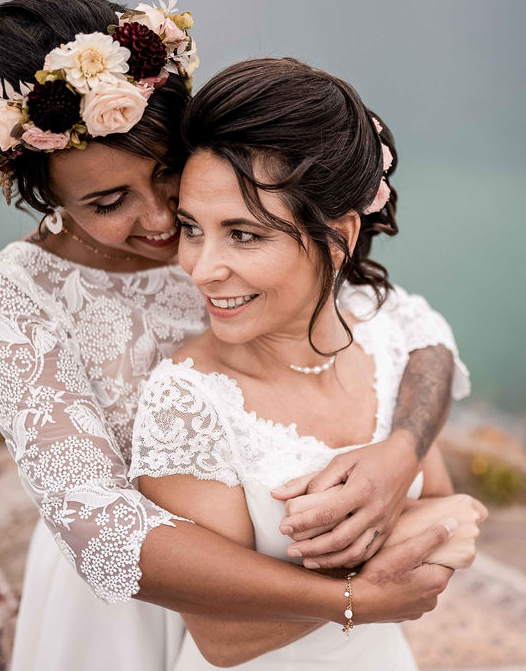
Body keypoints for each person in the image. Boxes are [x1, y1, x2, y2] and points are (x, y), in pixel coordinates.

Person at [0, 0, 473, 670]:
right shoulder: (11, 292)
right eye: (108, 203)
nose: (166, 223)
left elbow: (408, 330)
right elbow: (99, 526)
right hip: (133, 600)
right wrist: (352, 597)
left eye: (168, 173)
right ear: (46, 192)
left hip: (263, 554)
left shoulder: (220, 212)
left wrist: (399, 455)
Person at [131, 57, 483, 669]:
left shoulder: (384, 336)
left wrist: (421, 502)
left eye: (243, 234)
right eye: (193, 227)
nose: (201, 267)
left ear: (340, 235)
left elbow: (448, 504)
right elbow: (221, 637)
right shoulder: (187, 403)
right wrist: (367, 588)